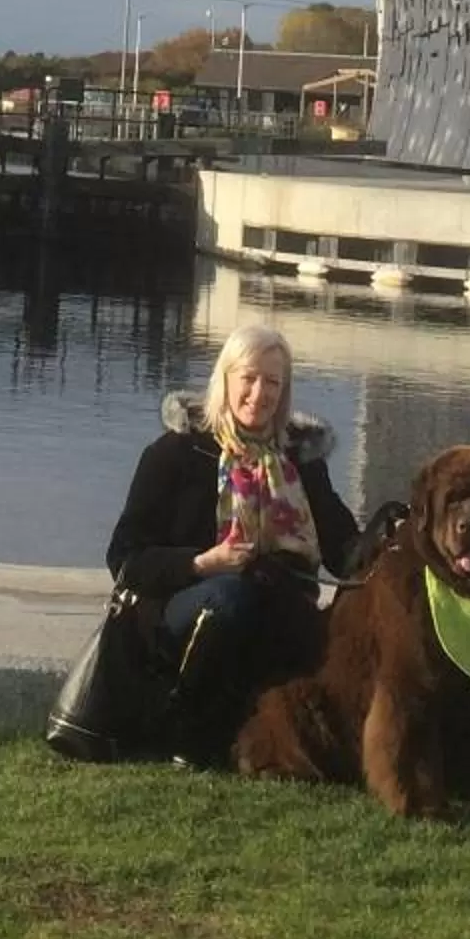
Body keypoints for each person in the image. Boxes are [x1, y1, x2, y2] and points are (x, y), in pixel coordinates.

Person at [106, 322, 359, 764]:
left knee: (309, 614)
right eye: (250, 377)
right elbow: (125, 558)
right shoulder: (177, 453)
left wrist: (399, 532)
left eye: (273, 382)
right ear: (225, 379)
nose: (260, 393)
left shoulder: (301, 463)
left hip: (280, 598)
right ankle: (184, 727)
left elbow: (345, 552)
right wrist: (204, 562)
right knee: (231, 597)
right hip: (186, 602)